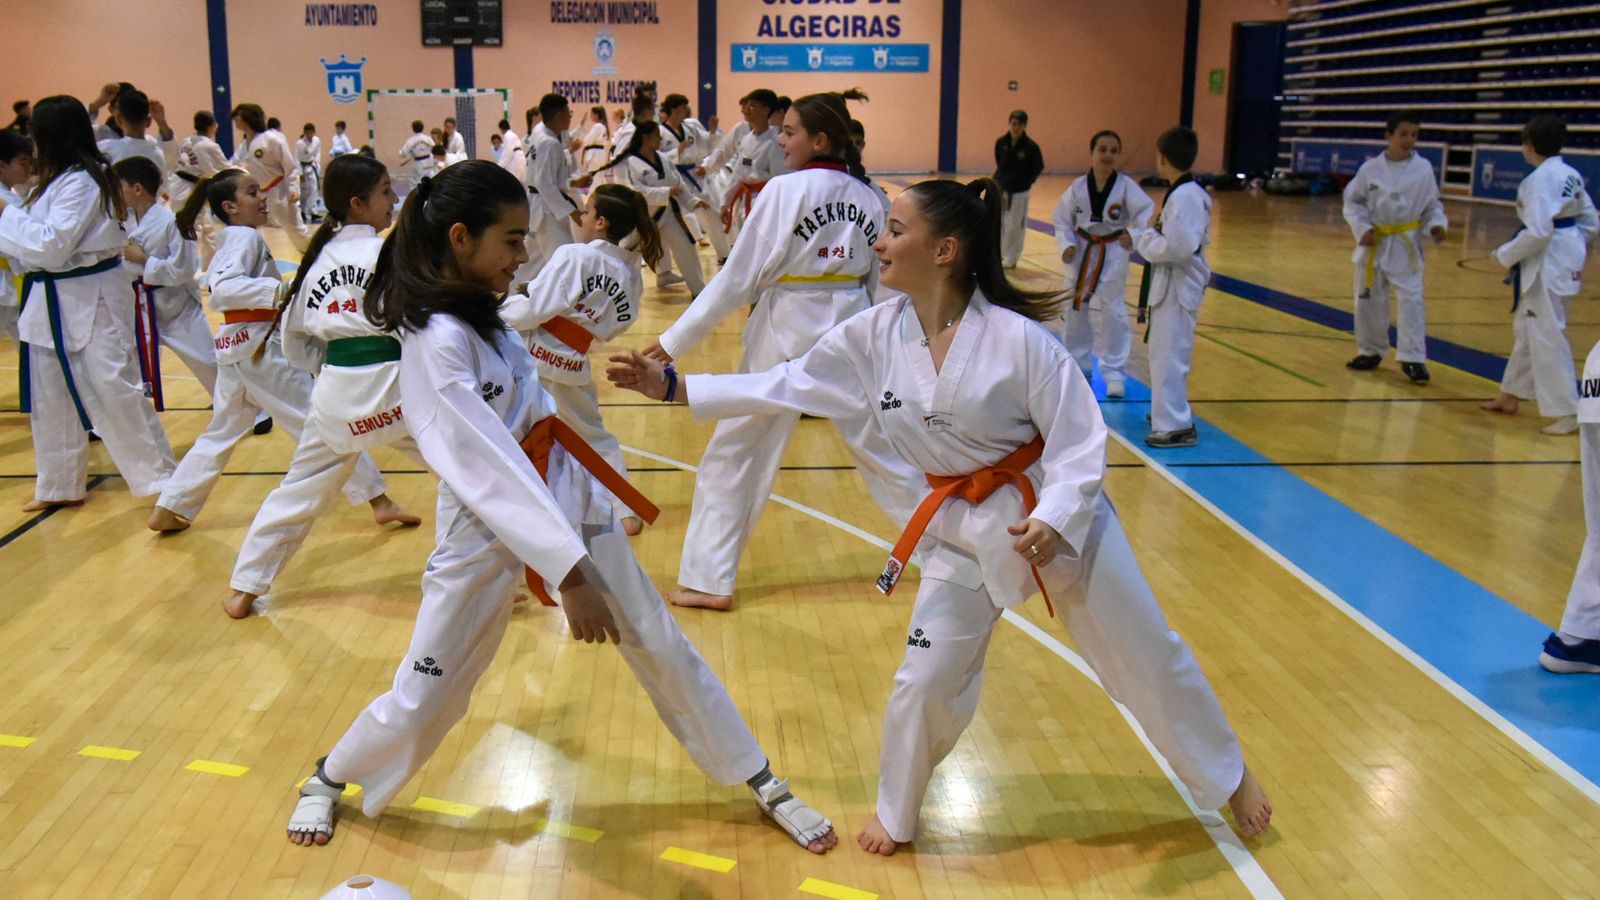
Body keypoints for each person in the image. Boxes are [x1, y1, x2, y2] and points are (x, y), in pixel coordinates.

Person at [607, 175, 1274, 854]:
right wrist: (675, 386)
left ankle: (1229, 776)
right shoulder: (871, 336)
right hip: (959, 531)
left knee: (1143, 655)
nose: (878, 239)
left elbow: (1079, 440)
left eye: (895, 229)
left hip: (1055, 531)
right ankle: (897, 813)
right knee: (924, 678)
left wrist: (1058, 516)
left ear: (946, 250)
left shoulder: (1020, 343)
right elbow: (786, 382)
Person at [283, 161, 838, 857]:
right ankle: (331, 777)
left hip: (566, 495)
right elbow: (487, 469)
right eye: (512, 242)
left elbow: (534, 416)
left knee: (659, 639)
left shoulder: (485, 316)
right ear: (460, 239)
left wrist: (583, 533)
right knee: (430, 687)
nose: (523, 256)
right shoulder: (436, 341)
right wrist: (569, 576)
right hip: (485, 523)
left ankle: (761, 778)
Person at [645, 91, 886, 611]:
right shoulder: (871, 197)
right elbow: (883, 285)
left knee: (736, 452)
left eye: (791, 132)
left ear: (819, 140)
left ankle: (709, 580)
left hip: (786, 331)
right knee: (890, 453)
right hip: (852, 332)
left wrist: (671, 343)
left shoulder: (785, 190)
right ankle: (963, 544)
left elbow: (735, 281)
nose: (781, 139)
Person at [226, 154, 422, 618]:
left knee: (300, 489)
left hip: (336, 394)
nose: (392, 199)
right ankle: (492, 577)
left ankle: (245, 588)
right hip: (398, 393)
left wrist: (333, 366)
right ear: (358, 204)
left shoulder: (314, 265)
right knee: (467, 473)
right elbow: (418, 327)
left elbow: (296, 346)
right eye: (383, 192)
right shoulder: (386, 256)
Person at [147, 169, 389, 532]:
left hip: (237, 347)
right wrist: (282, 293)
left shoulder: (236, 238)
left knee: (222, 432)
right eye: (251, 192)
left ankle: (171, 505)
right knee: (320, 419)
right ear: (230, 206)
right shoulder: (244, 237)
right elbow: (224, 288)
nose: (261, 198)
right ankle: (379, 499)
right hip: (260, 349)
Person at [0, 95, 177, 511]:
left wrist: (4, 215)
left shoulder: (85, 179)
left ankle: (161, 481)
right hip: (50, 295)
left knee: (116, 389)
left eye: (35, 132)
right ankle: (59, 483)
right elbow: (39, 248)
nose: (31, 140)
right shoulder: (57, 180)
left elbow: (51, 246)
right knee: (51, 393)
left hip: (89, 292)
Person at [501, 182, 659, 535]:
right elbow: (618, 324)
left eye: (586, 212)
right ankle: (624, 509)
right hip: (574, 362)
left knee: (510, 433)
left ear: (601, 222)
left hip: (533, 357)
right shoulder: (632, 275)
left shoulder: (576, 255)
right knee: (595, 437)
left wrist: (494, 311)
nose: (582, 218)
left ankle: (522, 516)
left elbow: (534, 309)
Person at [1481, 115, 1599, 435]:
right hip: (1565, 257)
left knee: (1546, 333)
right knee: (1528, 327)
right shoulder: (1570, 174)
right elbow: (1591, 221)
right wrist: (1574, 244)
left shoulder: (1538, 180)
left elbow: (1538, 232)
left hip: (1548, 262)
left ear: (1529, 145)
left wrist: (1505, 254)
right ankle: (1510, 394)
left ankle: (1569, 410)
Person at [1343, 111, 1447, 384]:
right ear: (1389, 136)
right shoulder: (1370, 169)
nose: (1409, 140)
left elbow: (1432, 205)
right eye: (1403, 134)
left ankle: (1413, 357)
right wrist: (1362, 228)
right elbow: (1352, 202)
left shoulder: (1422, 169)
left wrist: (1436, 224)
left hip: (1406, 243)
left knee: (1412, 300)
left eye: (1414, 134)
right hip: (1375, 241)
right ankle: (1371, 350)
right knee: (1367, 301)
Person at [1049, 130, 1153, 399]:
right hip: (1082, 251)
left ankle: (1113, 370)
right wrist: (1066, 244)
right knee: (1074, 309)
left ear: (1118, 155)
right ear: (1092, 153)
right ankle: (1078, 365)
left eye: (1113, 150)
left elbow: (1146, 213)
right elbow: (1061, 219)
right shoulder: (1078, 187)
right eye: (1102, 149)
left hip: (1114, 252)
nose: (1107, 155)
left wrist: (1136, 234)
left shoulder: (1126, 187)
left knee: (1114, 311)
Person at [113, 156, 218, 406]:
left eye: (120, 186)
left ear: (137, 189)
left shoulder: (173, 221)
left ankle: (251, 410)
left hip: (177, 307)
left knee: (206, 360)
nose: (116, 192)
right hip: (138, 307)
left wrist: (144, 259)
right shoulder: (122, 220)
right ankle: (124, 417)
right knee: (128, 363)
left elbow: (184, 269)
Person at [1137, 127, 1210, 449]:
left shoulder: (1186, 196)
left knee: (1171, 356)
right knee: (1163, 354)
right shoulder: (1184, 193)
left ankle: (1176, 424)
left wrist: (1147, 237)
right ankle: (1166, 411)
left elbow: (1177, 247)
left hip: (1179, 285)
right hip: (1173, 285)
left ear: (1163, 158)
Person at [599, 122, 705, 296]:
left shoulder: (663, 158)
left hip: (668, 212)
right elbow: (634, 191)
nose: (661, 138)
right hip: (643, 216)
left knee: (687, 247)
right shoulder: (630, 162)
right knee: (627, 253)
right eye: (657, 135)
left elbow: (678, 183)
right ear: (646, 137)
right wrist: (666, 191)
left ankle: (699, 292)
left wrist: (693, 201)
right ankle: (613, 291)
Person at [518, 93, 592, 283]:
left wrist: (574, 182)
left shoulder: (539, 131)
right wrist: (571, 211)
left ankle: (511, 298)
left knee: (531, 262)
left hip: (538, 205)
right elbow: (544, 183)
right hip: (546, 210)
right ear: (559, 114)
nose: (570, 116)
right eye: (568, 112)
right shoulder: (548, 142)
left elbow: (545, 178)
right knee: (564, 259)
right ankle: (564, 304)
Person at [699, 89, 783, 243]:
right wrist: (726, 202)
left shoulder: (776, 142)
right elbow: (738, 174)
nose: (747, 109)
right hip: (745, 202)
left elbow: (781, 182)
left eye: (752, 106)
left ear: (766, 110)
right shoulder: (746, 139)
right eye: (747, 105)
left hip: (766, 203)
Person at [658, 93, 729, 266]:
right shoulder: (660, 132)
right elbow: (657, 158)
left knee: (711, 214)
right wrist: (678, 151)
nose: (685, 111)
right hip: (675, 179)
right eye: (682, 107)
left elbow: (707, 146)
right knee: (669, 221)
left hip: (694, 176)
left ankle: (724, 254)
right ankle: (664, 268)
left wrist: (712, 131)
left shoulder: (690, 128)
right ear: (673, 109)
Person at [231, 102, 310, 252]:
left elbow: (290, 167)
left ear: (248, 117)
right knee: (246, 228)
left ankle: (314, 257)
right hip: (259, 194)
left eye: (238, 116)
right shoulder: (245, 145)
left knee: (296, 231)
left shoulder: (272, 139)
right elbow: (236, 163)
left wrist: (294, 189)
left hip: (280, 190)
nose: (235, 119)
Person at [993, 110, 1043, 270]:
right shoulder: (1001, 142)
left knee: (1015, 225)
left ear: (1024, 126)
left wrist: (1026, 181)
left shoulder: (1031, 147)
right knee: (1000, 223)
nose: (1015, 127)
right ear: (1009, 124)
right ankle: (999, 254)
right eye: (1013, 123)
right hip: (1002, 189)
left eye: (1019, 124)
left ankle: (1011, 257)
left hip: (1020, 191)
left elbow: (1038, 167)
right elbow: (999, 162)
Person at [0, 129, 33, 343]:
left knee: (28, 345)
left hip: (11, 280)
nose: (29, 168)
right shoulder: (6, 201)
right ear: (2, 165)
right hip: (7, 277)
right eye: (23, 162)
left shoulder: (12, 197)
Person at [168, 110, 229, 213]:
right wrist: (242, 168)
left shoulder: (184, 141)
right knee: (193, 224)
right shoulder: (210, 146)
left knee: (178, 219)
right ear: (212, 126)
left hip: (175, 184)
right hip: (192, 190)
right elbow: (226, 169)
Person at [97, 88, 174, 169]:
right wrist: (161, 121)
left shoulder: (105, 150)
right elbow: (171, 156)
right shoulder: (158, 154)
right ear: (148, 121)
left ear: (119, 119)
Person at [296, 123, 323, 221]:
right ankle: (302, 211)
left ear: (314, 132)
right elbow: (297, 159)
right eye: (307, 133)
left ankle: (313, 211)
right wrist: (299, 173)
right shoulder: (300, 143)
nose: (309, 135)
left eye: (311, 132)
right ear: (304, 133)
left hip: (312, 167)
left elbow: (318, 152)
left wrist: (316, 161)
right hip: (303, 168)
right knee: (304, 192)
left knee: (314, 189)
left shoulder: (317, 141)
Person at [399, 120, 433, 185]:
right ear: (422, 128)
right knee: (430, 179)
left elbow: (403, 153)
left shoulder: (411, 140)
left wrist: (400, 152)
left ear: (413, 129)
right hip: (429, 162)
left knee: (417, 182)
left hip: (418, 164)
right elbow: (434, 148)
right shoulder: (428, 138)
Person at [579, 105, 610, 174]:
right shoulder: (602, 126)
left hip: (595, 155)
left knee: (595, 178)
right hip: (600, 154)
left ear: (597, 115)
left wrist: (583, 136)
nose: (590, 116)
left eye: (592, 114)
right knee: (599, 177)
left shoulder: (597, 126)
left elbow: (587, 140)